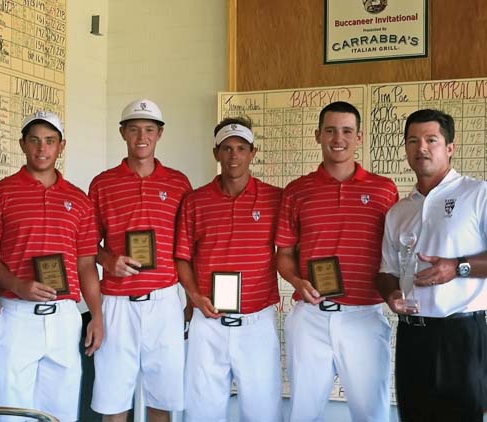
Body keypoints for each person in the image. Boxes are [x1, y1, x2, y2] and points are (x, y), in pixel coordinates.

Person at [276, 101, 398, 421]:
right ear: (318, 135)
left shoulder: (384, 190)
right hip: (311, 316)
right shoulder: (297, 191)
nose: (338, 138)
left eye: (346, 131)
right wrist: (298, 282)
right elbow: (285, 255)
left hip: (365, 317)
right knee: (302, 411)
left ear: (359, 137)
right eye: (330, 130)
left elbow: (396, 253)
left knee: (372, 412)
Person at [0, 111, 103, 421]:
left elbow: (86, 263)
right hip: (15, 313)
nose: (41, 149)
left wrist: (97, 316)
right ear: (22, 144)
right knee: (10, 410)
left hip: (64, 316)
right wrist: (18, 285)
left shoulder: (79, 200)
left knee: (60, 411)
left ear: (61, 146)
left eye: (50, 141)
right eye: (34, 140)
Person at [377, 109, 487, 421]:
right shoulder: (398, 211)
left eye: (431, 140)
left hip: (462, 334)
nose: (421, 147)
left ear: (449, 148)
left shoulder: (477, 194)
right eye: (413, 140)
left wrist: (457, 266)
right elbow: (386, 272)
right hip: (413, 335)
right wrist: (390, 295)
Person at [175, 116, 283, 422]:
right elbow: (182, 258)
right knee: (202, 411)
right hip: (208, 322)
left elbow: (289, 253)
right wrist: (194, 296)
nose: (233, 155)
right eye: (226, 148)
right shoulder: (195, 201)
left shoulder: (276, 198)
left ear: (253, 152)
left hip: (257, 321)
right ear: (216, 153)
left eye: (240, 148)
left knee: (263, 411)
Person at [89, 99, 191, 422]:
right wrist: (109, 261)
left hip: (164, 301)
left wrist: (190, 299)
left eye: (149, 130)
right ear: (122, 133)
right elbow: (88, 245)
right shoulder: (102, 183)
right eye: (134, 130)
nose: (141, 137)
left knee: (163, 398)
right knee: (113, 399)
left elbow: (187, 249)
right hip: (117, 302)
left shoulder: (178, 183)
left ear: (160, 134)